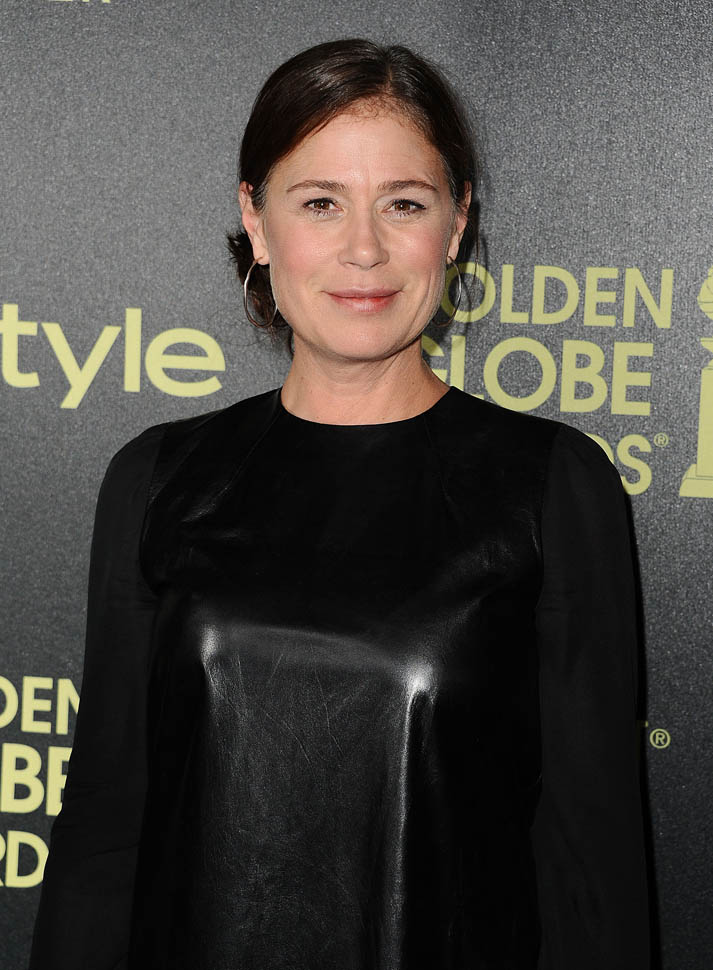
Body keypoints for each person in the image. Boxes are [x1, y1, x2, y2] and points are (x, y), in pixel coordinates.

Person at [29, 38, 650, 970]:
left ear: (455, 223)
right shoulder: (158, 476)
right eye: (320, 202)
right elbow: (105, 830)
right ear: (257, 220)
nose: (364, 248)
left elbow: (589, 870)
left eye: (404, 203)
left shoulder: (551, 485)